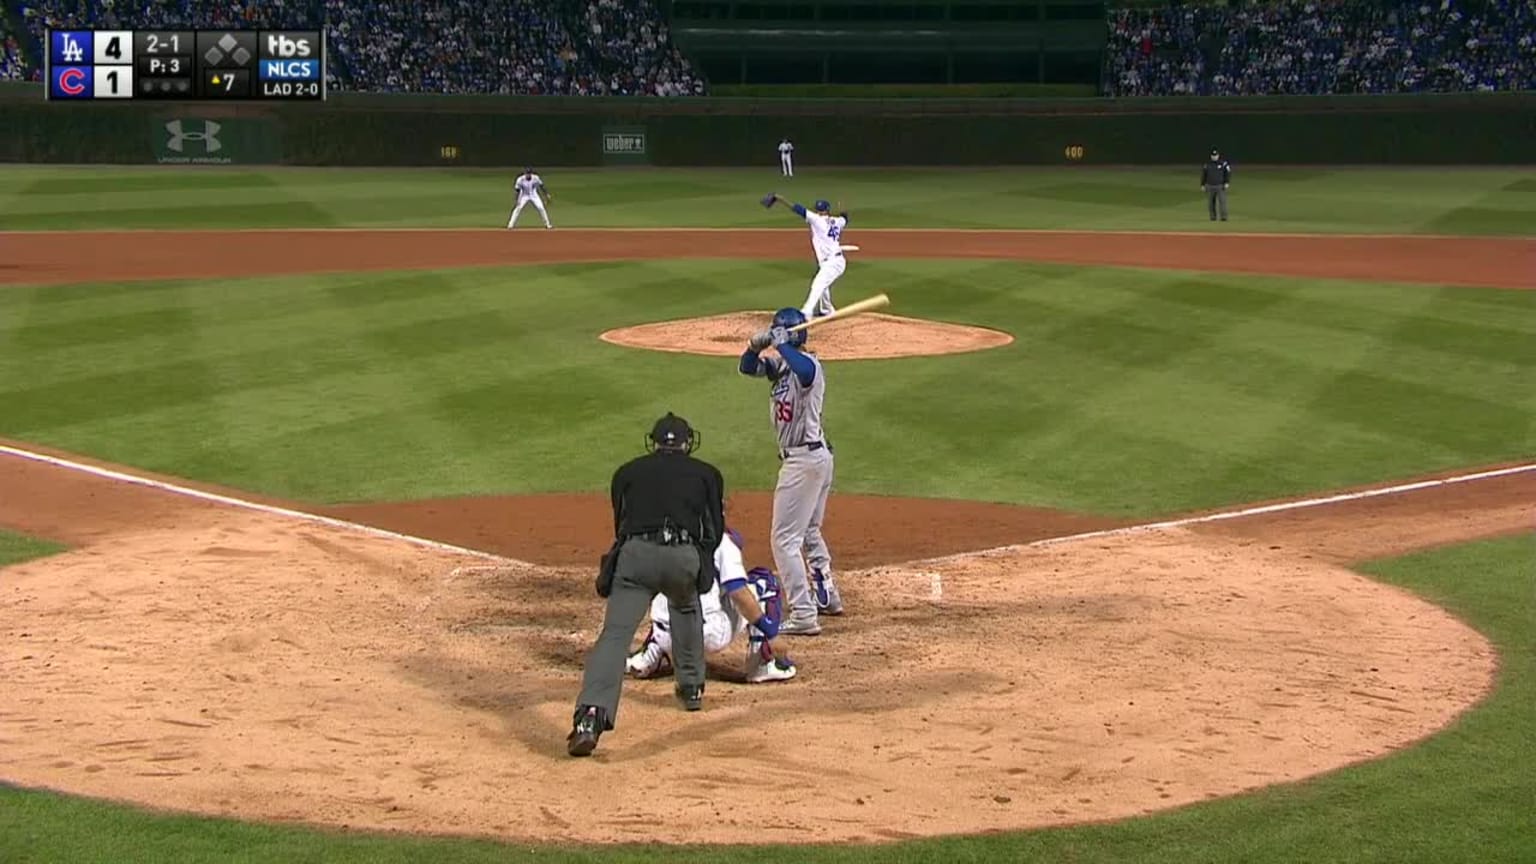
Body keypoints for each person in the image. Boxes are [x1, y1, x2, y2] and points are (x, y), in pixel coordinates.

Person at [567, 412, 726, 757]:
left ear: (653, 443)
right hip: (681, 557)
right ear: (687, 443)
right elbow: (713, 531)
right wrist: (694, 563)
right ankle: (692, 688)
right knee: (685, 605)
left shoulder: (626, 472)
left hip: (636, 557)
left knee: (615, 635)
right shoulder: (707, 474)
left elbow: (621, 526)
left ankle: (590, 716)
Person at [739, 309, 843, 636]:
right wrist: (754, 346)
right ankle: (827, 595)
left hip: (804, 461)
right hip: (812, 459)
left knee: (784, 540)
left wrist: (782, 344)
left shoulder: (809, 365)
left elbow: (804, 370)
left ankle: (803, 613)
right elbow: (747, 368)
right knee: (809, 530)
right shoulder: (780, 367)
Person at [627, 526, 798, 684]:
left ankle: (648, 657)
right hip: (709, 636)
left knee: (670, 593)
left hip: (665, 635)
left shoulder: (659, 534)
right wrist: (771, 633)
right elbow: (739, 593)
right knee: (764, 582)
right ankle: (761, 664)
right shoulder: (721, 541)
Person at [762, 193, 847, 318]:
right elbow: (845, 218)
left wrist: (780, 198)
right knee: (823, 284)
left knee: (818, 284)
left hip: (833, 262)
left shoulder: (816, 219)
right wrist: (842, 207)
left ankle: (806, 313)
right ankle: (827, 310)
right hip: (836, 260)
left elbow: (798, 209)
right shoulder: (837, 221)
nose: (818, 212)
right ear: (828, 210)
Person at [1201, 148, 1232, 222]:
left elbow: (1227, 173)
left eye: (1215, 155)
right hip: (1210, 185)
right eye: (1213, 156)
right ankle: (1213, 217)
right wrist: (1202, 184)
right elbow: (1204, 175)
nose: (1214, 157)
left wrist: (1227, 182)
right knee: (1211, 203)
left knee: (1222, 202)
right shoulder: (1207, 165)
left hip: (1220, 185)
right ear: (1211, 156)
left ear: (1218, 156)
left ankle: (1224, 217)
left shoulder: (1223, 163)